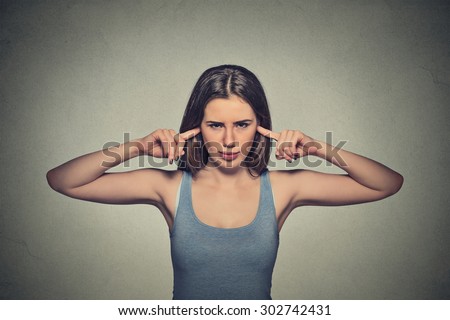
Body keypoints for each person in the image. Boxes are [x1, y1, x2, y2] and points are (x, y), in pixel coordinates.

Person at [46, 65, 403, 300]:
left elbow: (386, 183)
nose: (229, 140)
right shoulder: (169, 187)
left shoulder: (283, 189)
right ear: (197, 126)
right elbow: (63, 180)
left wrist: (318, 148)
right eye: (216, 125)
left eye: (242, 124)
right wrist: (138, 146)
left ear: (260, 125)